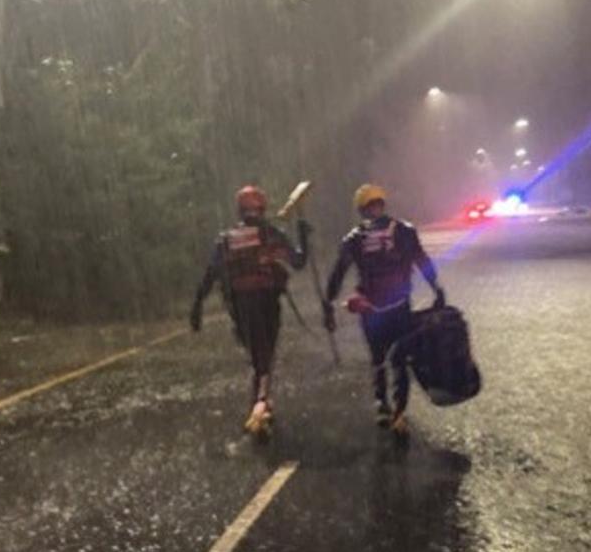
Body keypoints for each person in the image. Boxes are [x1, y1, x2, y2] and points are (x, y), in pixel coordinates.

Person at [322, 184, 445, 437]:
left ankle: (382, 405)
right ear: (382, 204)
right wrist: (437, 289)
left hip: (371, 307)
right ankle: (399, 411)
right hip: (400, 304)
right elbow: (422, 261)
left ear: (361, 209)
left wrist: (328, 302)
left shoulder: (354, 239)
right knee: (400, 357)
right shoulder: (405, 231)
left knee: (378, 357)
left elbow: (338, 272)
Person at [190, 185, 309, 435]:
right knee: (264, 354)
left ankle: (261, 400)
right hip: (267, 301)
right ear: (262, 208)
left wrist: (197, 305)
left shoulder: (227, 239)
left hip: (240, 305)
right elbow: (298, 261)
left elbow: (211, 275)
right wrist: (303, 233)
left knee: (257, 354)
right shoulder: (272, 233)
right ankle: (260, 404)